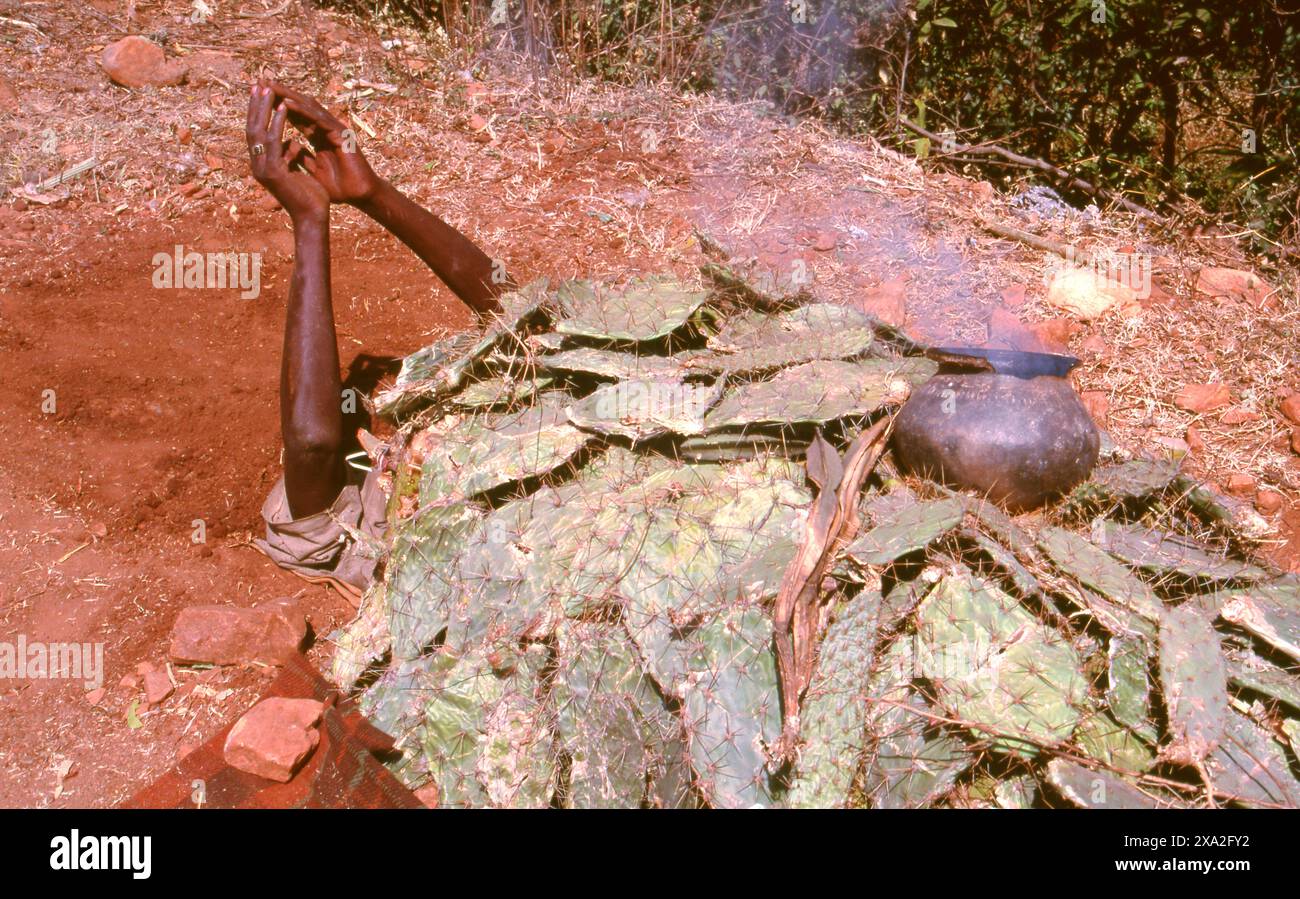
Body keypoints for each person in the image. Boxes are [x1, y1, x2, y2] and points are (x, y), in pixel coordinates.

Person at [244, 80, 512, 599]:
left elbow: (313, 446)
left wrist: (309, 222)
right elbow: (522, 320)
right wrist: (372, 193)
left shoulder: (387, 549)